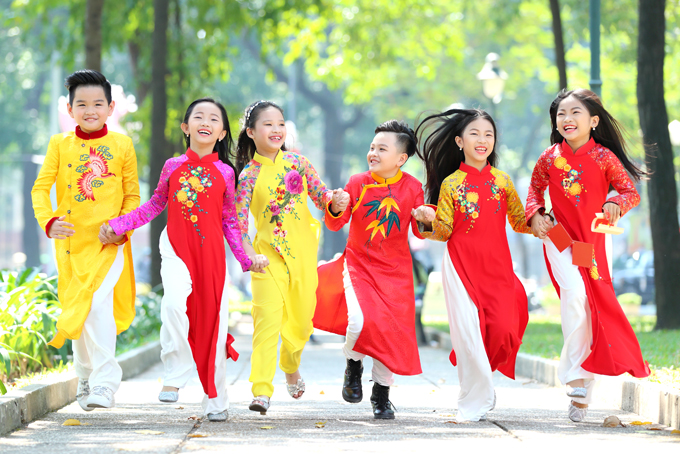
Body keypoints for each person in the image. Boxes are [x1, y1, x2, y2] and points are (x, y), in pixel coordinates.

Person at [104, 98, 260, 422]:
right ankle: (175, 375)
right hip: (175, 248)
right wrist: (119, 225)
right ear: (185, 128)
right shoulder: (173, 166)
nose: (206, 121)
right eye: (198, 116)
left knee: (211, 326)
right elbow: (154, 205)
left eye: (214, 118)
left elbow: (230, 221)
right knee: (174, 304)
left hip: (212, 257)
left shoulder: (226, 172)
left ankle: (216, 400)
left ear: (221, 133)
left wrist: (246, 259)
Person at [525, 88, 650, 422]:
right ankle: (576, 375)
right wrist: (536, 214)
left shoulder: (605, 158)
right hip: (559, 238)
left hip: (590, 245)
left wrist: (615, 202)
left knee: (588, 304)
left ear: (593, 121)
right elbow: (534, 191)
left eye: (575, 112)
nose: (567, 119)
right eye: (561, 114)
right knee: (576, 295)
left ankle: (582, 391)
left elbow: (629, 192)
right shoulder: (549, 157)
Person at [31, 69, 140, 411]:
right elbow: (40, 188)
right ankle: (85, 376)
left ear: (110, 108)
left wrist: (122, 227)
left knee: (97, 305)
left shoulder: (122, 144)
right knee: (80, 307)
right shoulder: (59, 145)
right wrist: (48, 222)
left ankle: (105, 384)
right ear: (69, 108)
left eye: (97, 103)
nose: (89, 110)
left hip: (109, 244)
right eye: (82, 104)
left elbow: (133, 197)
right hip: (70, 245)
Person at [413, 108, 531, 422]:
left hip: (498, 269)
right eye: (475, 134)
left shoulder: (503, 181)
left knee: (505, 328)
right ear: (459, 141)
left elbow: (520, 222)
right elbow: (444, 232)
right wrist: (428, 218)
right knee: (468, 334)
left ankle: (481, 379)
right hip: (462, 266)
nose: (482, 140)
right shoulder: (452, 184)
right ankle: (474, 398)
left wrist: (544, 220)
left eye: (488, 134)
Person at [235, 100, 348, 414]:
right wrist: (249, 256)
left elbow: (321, 197)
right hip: (267, 260)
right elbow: (239, 225)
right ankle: (261, 390)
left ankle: (289, 362)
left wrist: (335, 200)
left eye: (280, 124)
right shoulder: (247, 177)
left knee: (300, 323)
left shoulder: (298, 163)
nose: (276, 130)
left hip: (302, 257)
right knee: (266, 322)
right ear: (251, 132)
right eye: (268, 124)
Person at [314, 120, 429, 420]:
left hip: (396, 274)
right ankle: (353, 364)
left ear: (401, 158)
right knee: (359, 322)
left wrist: (426, 216)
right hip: (359, 266)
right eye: (372, 147)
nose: (373, 153)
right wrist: (337, 206)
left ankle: (382, 393)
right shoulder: (357, 182)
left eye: (382, 148)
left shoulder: (413, 187)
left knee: (390, 334)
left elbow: (420, 231)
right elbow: (336, 222)